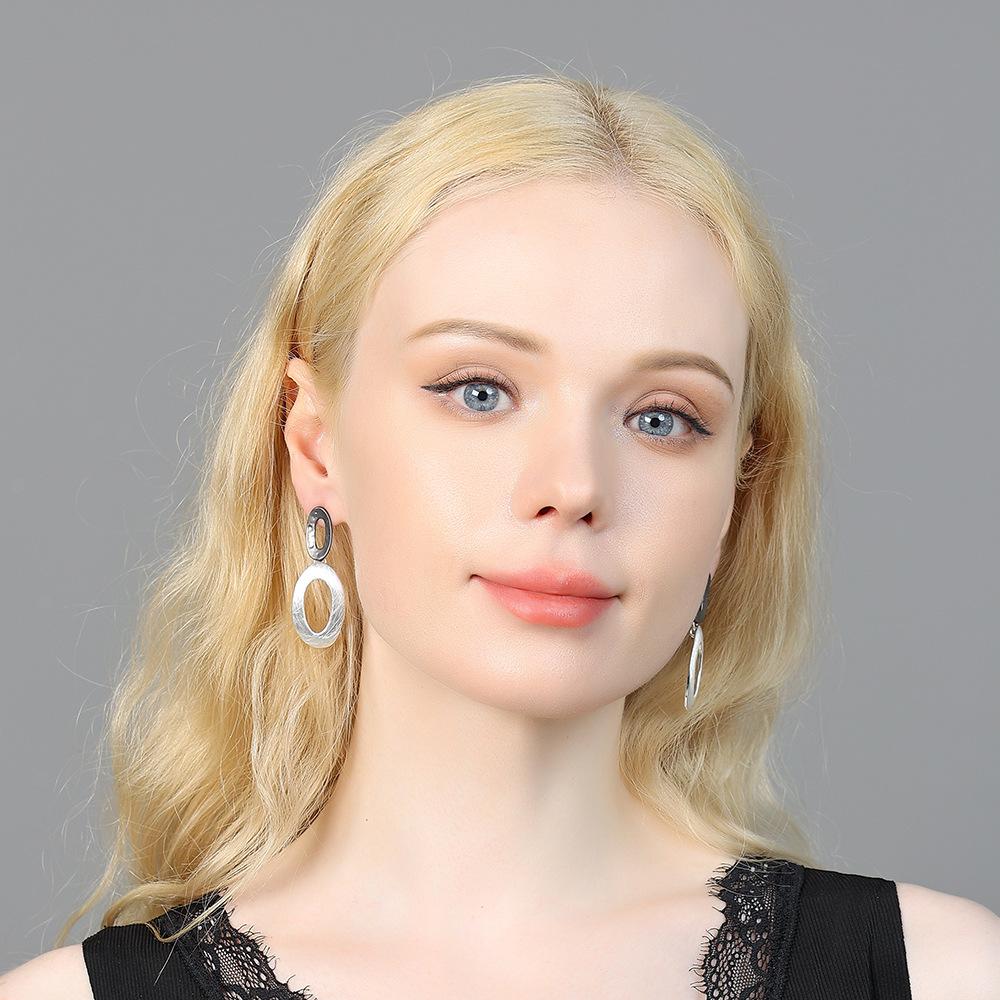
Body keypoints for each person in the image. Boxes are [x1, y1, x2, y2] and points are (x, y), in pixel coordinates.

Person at [3, 72, 998, 1000]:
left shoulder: (950, 975)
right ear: (315, 446)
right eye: (478, 391)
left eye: (662, 417)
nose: (573, 487)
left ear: (735, 492)